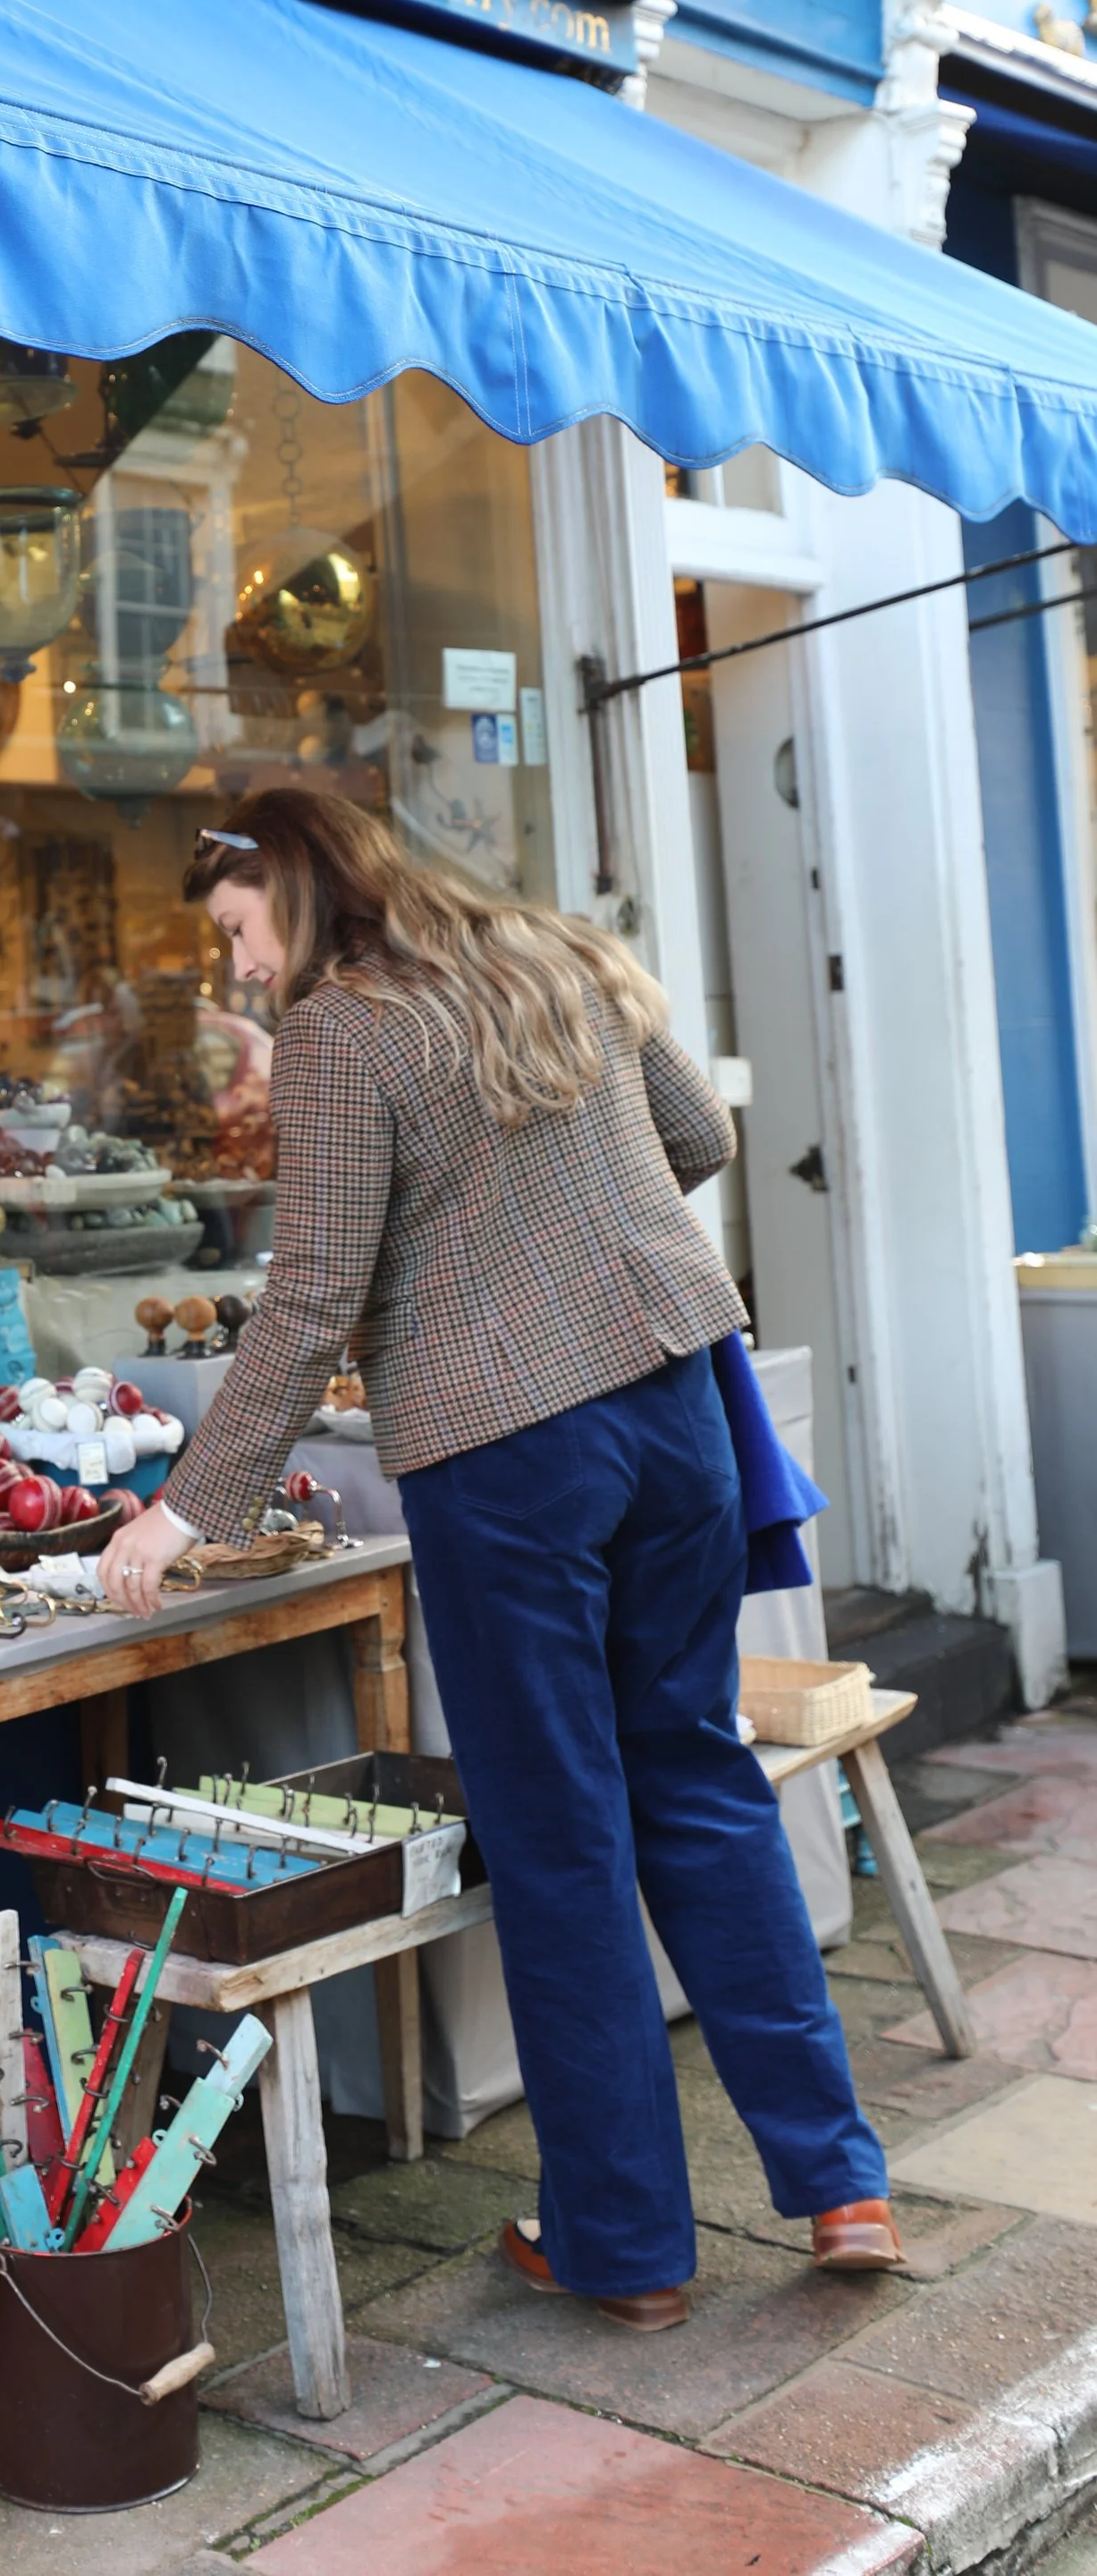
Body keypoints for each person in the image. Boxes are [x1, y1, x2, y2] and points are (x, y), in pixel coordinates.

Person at [99, 786, 900, 2329]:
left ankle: (624, 2248)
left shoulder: (345, 1026)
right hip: (674, 1407)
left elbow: (316, 1290)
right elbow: (696, 1134)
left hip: (508, 1452)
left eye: (240, 933)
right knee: (697, 1774)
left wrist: (184, 1506)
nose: (243, 971)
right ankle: (841, 2183)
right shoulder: (551, 950)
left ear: (300, 895)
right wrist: (555, 1218)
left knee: (562, 1834)